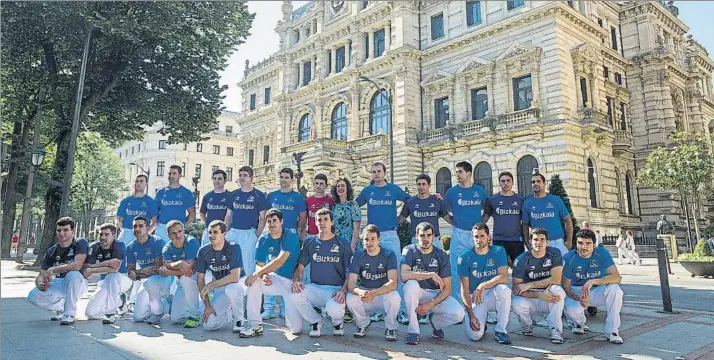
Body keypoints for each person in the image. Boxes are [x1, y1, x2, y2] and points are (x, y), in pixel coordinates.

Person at [355, 161, 409, 322]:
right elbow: (353, 205)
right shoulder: (368, 191)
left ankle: (401, 310)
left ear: (385, 173)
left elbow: (411, 201)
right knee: (376, 272)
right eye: (374, 171)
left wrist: (402, 217)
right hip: (374, 237)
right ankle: (379, 309)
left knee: (396, 271)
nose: (376, 174)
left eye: (379, 171)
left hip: (391, 235)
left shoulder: (392, 189)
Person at [240, 208, 302, 338]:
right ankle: (255, 325)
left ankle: (293, 319)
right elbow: (259, 264)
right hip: (272, 280)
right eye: (269, 221)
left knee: (295, 329)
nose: (272, 224)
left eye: (275, 221)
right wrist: (263, 275)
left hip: (289, 282)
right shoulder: (263, 239)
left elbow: (280, 261)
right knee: (254, 283)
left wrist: (257, 274)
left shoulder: (290, 236)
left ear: (281, 222)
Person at [290, 208, 353, 337]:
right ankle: (315, 321)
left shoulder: (342, 243)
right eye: (319, 220)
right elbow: (300, 266)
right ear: (315, 223)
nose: (322, 223)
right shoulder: (310, 242)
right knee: (295, 294)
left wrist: (343, 290)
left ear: (332, 222)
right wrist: (296, 281)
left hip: (335, 290)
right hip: (316, 288)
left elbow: (351, 272)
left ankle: (337, 323)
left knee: (334, 310)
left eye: (325, 220)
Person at [401, 222, 464, 345]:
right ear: (416, 236)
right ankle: (413, 331)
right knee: (411, 285)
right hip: (417, 293)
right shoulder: (409, 250)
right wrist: (430, 274)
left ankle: (435, 322)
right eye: (422, 235)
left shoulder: (441, 254)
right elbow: (404, 275)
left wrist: (430, 305)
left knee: (459, 314)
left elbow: (448, 288)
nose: (425, 239)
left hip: (434, 295)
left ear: (433, 236)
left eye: (428, 235)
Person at [563, 228, 624, 344]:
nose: (583, 247)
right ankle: (579, 322)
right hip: (576, 291)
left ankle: (612, 330)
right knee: (572, 310)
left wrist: (592, 281)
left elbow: (617, 277)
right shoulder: (568, 257)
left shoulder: (602, 253)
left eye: (588, 243)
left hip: (597, 289)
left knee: (615, 290)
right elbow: (566, 286)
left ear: (594, 245)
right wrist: (579, 298)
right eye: (580, 243)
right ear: (576, 243)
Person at [458, 223, 512, 345]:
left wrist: (483, 285)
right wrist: (471, 314)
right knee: (475, 336)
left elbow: (504, 276)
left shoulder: (499, 251)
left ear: (488, 236)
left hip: (493, 293)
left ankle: (501, 331)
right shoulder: (464, 257)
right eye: (476, 236)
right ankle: (481, 324)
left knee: (504, 289)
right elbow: (464, 289)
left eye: (482, 236)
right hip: (475, 297)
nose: (479, 239)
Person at [28, 217, 88, 325]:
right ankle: (61, 307)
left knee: (73, 274)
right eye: (59, 230)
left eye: (65, 230)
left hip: (78, 282)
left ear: (73, 231)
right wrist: (40, 284)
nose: (62, 233)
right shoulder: (51, 251)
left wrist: (54, 269)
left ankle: (69, 314)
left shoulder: (80, 243)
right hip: (61, 282)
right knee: (33, 295)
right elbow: (41, 274)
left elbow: (77, 265)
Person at [511, 228, 566, 344]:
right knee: (516, 303)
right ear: (530, 241)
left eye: (542, 239)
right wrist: (539, 295)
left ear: (547, 242)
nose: (539, 243)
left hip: (548, 294)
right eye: (535, 239)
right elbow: (517, 289)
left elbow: (556, 279)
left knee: (558, 291)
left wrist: (530, 284)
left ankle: (555, 330)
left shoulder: (554, 253)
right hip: (531, 296)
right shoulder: (521, 260)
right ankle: (527, 324)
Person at [346, 225, 401, 341]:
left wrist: (374, 293)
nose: (369, 243)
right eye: (366, 239)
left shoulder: (389, 254)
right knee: (350, 298)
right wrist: (360, 292)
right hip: (366, 294)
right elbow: (351, 283)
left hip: (382, 294)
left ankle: (390, 327)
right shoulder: (358, 255)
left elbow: (393, 283)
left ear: (379, 240)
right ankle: (363, 324)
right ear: (362, 240)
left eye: (372, 239)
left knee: (395, 297)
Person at [265, 168, 307, 320]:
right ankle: (269, 308)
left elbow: (303, 217)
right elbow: (266, 216)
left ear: (291, 179)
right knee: (270, 265)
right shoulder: (272, 196)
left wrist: (299, 233)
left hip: (290, 233)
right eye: (282, 177)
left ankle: (284, 307)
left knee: (288, 268)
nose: (284, 179)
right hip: (273, 233)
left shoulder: (297, 197)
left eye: (287, 177)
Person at [444, 161, 488, 301]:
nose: (457, 174)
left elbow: (487, 209)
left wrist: (481, 225)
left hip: (476, 235)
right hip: (458, 234)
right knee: (456, 268)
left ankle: (481, 303)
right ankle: (457, 303)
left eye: (460, 172)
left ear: (469, 173)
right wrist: (454, 222)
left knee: (480, 268)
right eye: (456, 172)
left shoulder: (480, 191)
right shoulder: (452, 192)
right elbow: (443, 211)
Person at [195, 220, 247, 332]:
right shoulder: (203, 251)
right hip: (220, 286)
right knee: (209, 325)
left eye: (215, 232)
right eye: (210, 232)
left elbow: (234, 277)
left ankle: (239, 321)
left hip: (238, 283)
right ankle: (228, 316)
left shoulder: (234, 247)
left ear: (224, 233)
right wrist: (208, 306)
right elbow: (200, 279)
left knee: (232, 289)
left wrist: (210, 286)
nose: (212, 235)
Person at [225, 166, 269, 279]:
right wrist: (226, 231)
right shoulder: (233, 195)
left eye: (245, 175)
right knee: (229, 262)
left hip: (249, 233)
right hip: (234, 232)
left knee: (248, 264)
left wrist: (256, 235)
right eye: (240, 175)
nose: (242, 178)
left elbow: (263, 218)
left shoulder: (259, 195)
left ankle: (249, 291)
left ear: (251, 177)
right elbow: (228, 216)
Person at [126, 216, 170, 325]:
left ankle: (157, 312)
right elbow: (131, 273)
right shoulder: (130, 247)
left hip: (163, 279)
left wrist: (139, 273)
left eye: (141, 226)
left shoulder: (157, 242)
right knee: (138, 317)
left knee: (149, 282)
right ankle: (167, 303)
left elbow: (157, 268)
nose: (137, 229)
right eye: (135, 226)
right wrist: (142, 272)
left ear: (147, 228)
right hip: (146, 281)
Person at [84, 223, 131, 324]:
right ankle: (120, 301)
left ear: (114, 236)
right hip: (104, 282)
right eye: (101, 234)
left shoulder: (119, 245)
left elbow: (114, 269)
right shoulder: (94, 247)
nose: (103, 237)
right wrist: (107, 263)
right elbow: (87, 267)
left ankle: (110, 313)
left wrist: (93, 269)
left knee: (112, 276)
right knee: (90, 313)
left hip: (122, 280)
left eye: (106, 234)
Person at [160, 220, 201, 327]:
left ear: (184, 231)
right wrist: (179, 263)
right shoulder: (167, 248)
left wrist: (169, 271)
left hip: (200, 277)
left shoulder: (192, 242)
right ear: (169, 235)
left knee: (186, 278)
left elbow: (189, 269)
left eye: (180, 231)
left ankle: (195, 315)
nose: (178, 235)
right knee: (176, 318)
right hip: (183, 280)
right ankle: (201, 305)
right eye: (174, 233)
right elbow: (168, 265)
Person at [521, 173, 574, 255]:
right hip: (538, 244)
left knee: (562, 267)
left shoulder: (555, 200)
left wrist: (569, 241)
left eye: (538, 181)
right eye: (533, 182)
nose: (535, 183)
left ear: (544, 184)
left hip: (558, 243)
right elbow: (525, 225)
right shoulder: (527, 203)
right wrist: (527, 243)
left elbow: (568, 220)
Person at [398, 174, 452, 249]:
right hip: (417, 240)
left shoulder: (437, 201)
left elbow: (448, 218)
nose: (421, 187)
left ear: (429, 185)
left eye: (424, 184)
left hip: (434, 240)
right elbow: (400, 219)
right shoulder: (410, 202)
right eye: (419, 184)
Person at [482, 171, 525, 264]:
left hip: (517, 240)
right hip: (499, 240)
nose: (506, 183)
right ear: (499, 183)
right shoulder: (492, 200)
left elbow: (525, 222)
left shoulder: (520, 200)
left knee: (519, 271)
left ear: (512, 182)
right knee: (500, 270)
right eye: (503, 181)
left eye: (508, 180)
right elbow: (484, 220)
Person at [154, 165, 196, 241]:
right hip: (162, 229)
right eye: (169, 173)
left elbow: (192, 214)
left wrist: (183, 226)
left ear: (180, 175)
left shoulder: (186, 193)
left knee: (177, 252)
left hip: (178, 230)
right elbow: (154, 212)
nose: (171, 175)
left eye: (174, 173)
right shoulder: (160, 192)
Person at [116, 174, 159, 243]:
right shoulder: (125, 201)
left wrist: (145, 235)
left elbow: (155, 222)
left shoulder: (150, 201)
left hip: (142, 234)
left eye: (141, 181)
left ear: (146, 184)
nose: (138, 183)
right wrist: (125, 231)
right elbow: (119, 219)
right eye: (137, 181)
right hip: (126, 234)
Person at [199, 169, 231, 246]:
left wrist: (225, 230)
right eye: (214, 178)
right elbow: (202, 214)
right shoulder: (207, 196)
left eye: (220, 179)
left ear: (225, 181)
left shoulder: (230, 196)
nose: (217, 181)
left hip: (224, 232)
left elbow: (230, 216)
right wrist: (207, 225)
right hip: (209, 232)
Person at [331, 177, 361, 252]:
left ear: (347, 188)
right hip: (337, 243)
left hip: (351, 243)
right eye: (338, 186)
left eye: (343, 186)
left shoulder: (353, 204)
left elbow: (356, 228)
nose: (340, 188)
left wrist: (352, 246)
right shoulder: (334, 206)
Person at [306, 173, 335, 240]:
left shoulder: (331, 201)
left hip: (327, 235)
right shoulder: (308, 200)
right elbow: (304, 219)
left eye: (321, 184)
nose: (318, 186)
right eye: (317, 183)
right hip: (311, 235)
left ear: (326, 185)